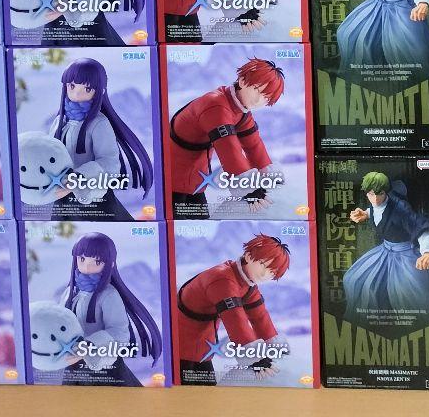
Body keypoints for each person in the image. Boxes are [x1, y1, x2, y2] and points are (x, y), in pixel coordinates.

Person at [168, 57, 285, 217]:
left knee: (199, 223)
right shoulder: (216, 105)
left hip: (196, 179)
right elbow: (229, 150)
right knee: (178, 224)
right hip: (173, 177)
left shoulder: (241, 111)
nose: (259, 100)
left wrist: (269, 176)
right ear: (242, 81)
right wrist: (249, 189)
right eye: (256, 89)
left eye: (266, 97)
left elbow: (253, 145)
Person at [43, 57, 153, 220]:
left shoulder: (99, 123)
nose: (77, 93)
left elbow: (110, 163)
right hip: (61, 197)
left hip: (94, 200)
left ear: (99, 91)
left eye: (87, 88)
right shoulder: (60, 122)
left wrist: (78, 177)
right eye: (72, 86)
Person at [176, 234, 290, 385]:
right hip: (181, 340)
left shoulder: (247, 284)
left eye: (272, 272)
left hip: (204, 340)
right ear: (248, 256)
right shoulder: (223, 280)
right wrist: (255, 359)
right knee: (188, 386)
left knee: (206, 388)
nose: (265, 274)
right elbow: (236, 321)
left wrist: (274, 347)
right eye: (262, 264)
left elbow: (260, 316)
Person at [343, 171, 429, 327]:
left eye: (379, 194)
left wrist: (428, 252)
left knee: (411, 297)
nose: (375, 199)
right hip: (385, 252)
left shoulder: (401, 208)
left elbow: (420, 227)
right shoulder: (376, 203)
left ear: (385, 192)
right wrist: (366, 214)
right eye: (370, 194)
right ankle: (371, 326)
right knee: (354, 279)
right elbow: (378, 210)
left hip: (405, 255)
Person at [57, 231, 162, 385]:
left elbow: (120, 333)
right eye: (82, 259)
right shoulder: (70, 293)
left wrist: (88, 346)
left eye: (97, 261)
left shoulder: (108, 295)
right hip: (73, 364)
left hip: (105, 366)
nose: (87, 266)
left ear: (110, 264)